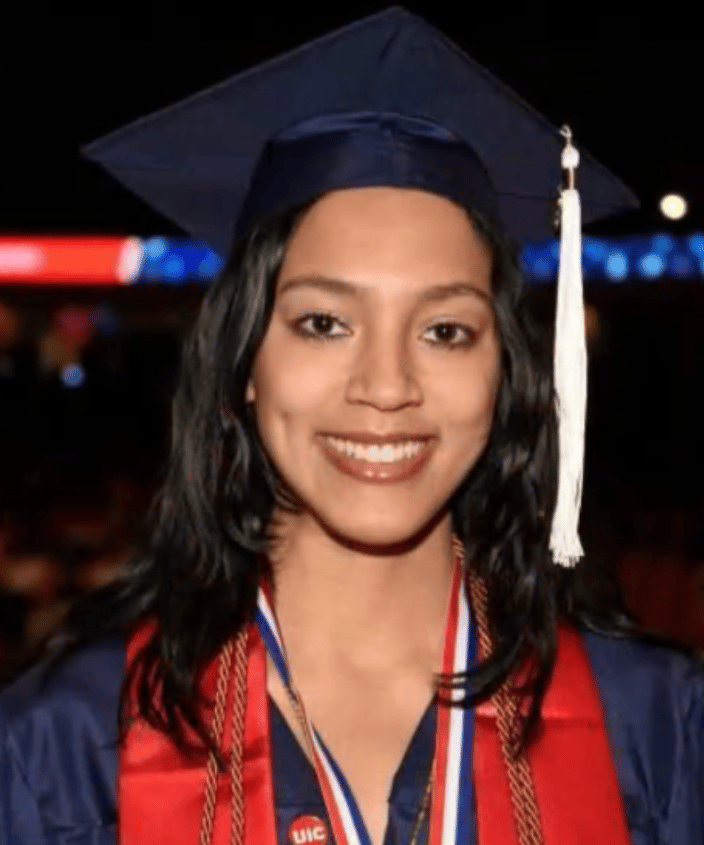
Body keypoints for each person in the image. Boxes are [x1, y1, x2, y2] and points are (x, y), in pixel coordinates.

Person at [1, 8, 702, 845]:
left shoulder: (658, 731)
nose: (386, 385)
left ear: (505, 372)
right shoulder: (64, 749)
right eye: (323, 322)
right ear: (245, 364)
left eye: (445, 330)